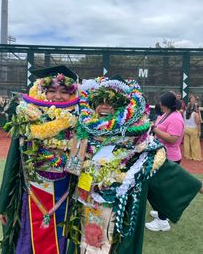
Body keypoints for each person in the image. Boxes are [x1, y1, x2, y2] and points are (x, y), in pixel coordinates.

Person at [66, 78, 202, 254]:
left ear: (126, 107)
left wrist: (199, 188)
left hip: (120, 215)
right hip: (87, 207)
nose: (105, 107)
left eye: (113, 102)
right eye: (100, 102)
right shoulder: (84, 136)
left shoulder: (138, 143)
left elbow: (164, 171)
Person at [0, 65, 79, 254]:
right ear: (42, 92)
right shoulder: (26, 122)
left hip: (65, 196)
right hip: (32, 194)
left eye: (64, 92)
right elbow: (12, 163)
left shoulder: (79, 123)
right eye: (51, 91)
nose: (57, 96)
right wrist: (4, 203)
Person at [145, 91, 184, 231]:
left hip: (170, 157)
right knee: (159, 188)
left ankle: (163, 222)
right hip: (161, 155)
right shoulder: (166, 114)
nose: (159, 104)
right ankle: (163, 213)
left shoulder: (176, 118)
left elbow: (173, 138)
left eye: (161, 101)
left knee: (161, 190)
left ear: (165, 103)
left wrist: (154, 129)